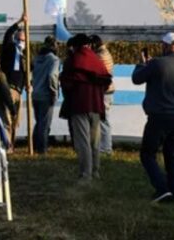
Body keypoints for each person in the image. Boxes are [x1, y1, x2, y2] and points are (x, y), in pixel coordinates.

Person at [132, 32, 174, 203]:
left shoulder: (157, 64)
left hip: (159, 115)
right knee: (172, 156)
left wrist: (142, 64)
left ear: (166, 46)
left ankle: (161, 188)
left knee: (147, 154)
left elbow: (136, 79)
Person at [59, 34, 111, 181]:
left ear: (76, 46)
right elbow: (106, 80)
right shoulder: (97, 60)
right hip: (96, 105)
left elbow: (66, 82)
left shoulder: (73, 60)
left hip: (79, 105)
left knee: (83, 142)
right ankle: (95, 171)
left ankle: (85, 174)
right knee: (95, 142)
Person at [0, 17, 28, 145]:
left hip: (19, 90)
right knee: (7, 118)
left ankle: (12, 142)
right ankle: (7, 144)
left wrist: (28, 84)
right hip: (8, 88)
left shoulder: (25, 55)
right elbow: (7, 34)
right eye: (19, 39)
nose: (20, 42)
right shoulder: (9, 49)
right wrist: (19, 22)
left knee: (16, 119)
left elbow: (27, 72)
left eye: (23, 40)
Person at [31, 37, 60, 155]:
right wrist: (54, 91)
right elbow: (52, 75)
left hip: (35, 94)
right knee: (45, 124)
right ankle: (42, 149)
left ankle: (34, 145)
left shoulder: (36, 59)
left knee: (38, 122)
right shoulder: (54, 60)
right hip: (46, 95)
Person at [91, 34, 116, 154]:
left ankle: (106, 148)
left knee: (104, 119)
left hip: (104, 91)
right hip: (107, 90)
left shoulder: (100, 55)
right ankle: (105, 146)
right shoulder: (105, 53)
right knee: (103, 119)